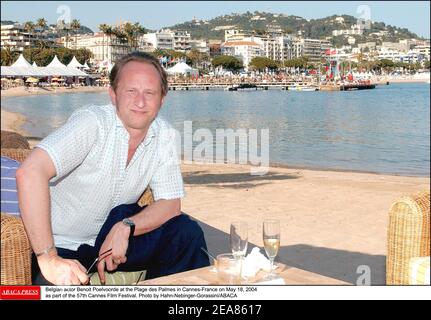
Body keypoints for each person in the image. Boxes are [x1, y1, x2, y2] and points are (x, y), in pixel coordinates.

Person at [16, 52, 210, 285]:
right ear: (113, 94)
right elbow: (30, 171)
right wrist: (48, 257)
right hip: (63, 245)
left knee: (186, 233)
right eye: (131, 91)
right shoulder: (92, 123)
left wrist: (126, 226)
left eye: (150, 92)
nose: (140, 102)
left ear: (162, 99)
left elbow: (171, 205)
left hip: (114, 242)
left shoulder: (164, 134)